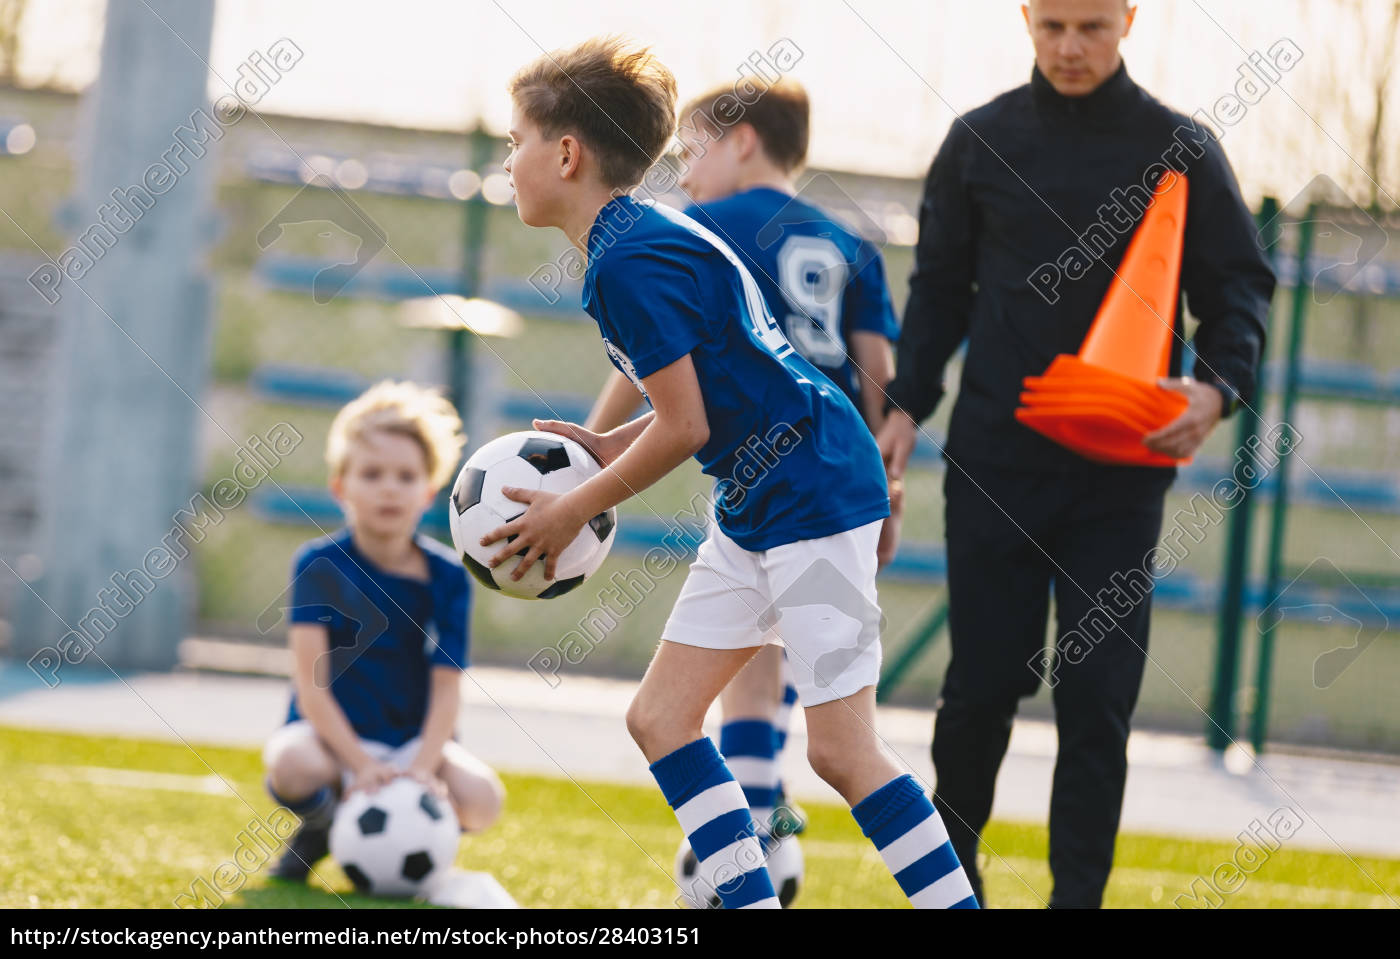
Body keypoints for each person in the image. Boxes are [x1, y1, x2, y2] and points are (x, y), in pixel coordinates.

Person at [496, 37, 976, 909]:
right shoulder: (634, 240)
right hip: (760, 499)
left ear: (566, 154)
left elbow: (688, 425)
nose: (508, 160)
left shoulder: (629, 257)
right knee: (660, 719)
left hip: (816, 492)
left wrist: (576, 509)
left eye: (515, 139)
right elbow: (721, 378)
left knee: (841, 750)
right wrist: (607, 447)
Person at [876, 0, 1276, 907]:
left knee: (1096, 700)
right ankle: (951, 885)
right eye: (1051, 24)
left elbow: (1239, 286)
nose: (1068, 46)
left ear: (1130, 18)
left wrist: (1216, 387)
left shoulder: (1184, 148)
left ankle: (1078, 901)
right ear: (1025, 16)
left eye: (1091, 26)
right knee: (979, 689)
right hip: (995, 465)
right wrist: (905, 407)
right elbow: (938, 287)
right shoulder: (978, 140)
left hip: (1120, 481)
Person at [583, 78, 903, 886]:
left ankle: (758, 823)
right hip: (835, 469)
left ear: (744, 140)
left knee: (779, 693)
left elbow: (656, 358)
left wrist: (594, 445)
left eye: (693, 153)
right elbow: (881, 380)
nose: (685, 177)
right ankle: (761, 833)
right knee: (767, 674)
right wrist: (888, 489)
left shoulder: (698, 230)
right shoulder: (850, 243)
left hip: (771, 460)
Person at [263, 381, 505, 881]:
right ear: (340, 487)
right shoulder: (317, 565)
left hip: (412, 744)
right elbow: (311, 688)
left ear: (428, 491)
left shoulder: (449, 577)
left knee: (484, 800)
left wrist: (421, 767)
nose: (389, 488)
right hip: (333, 742)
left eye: (406, 476)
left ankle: (416, 837)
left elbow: (446, 689)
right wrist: (358, 763)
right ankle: (325, 827)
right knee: (289, 764)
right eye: (372, 474)